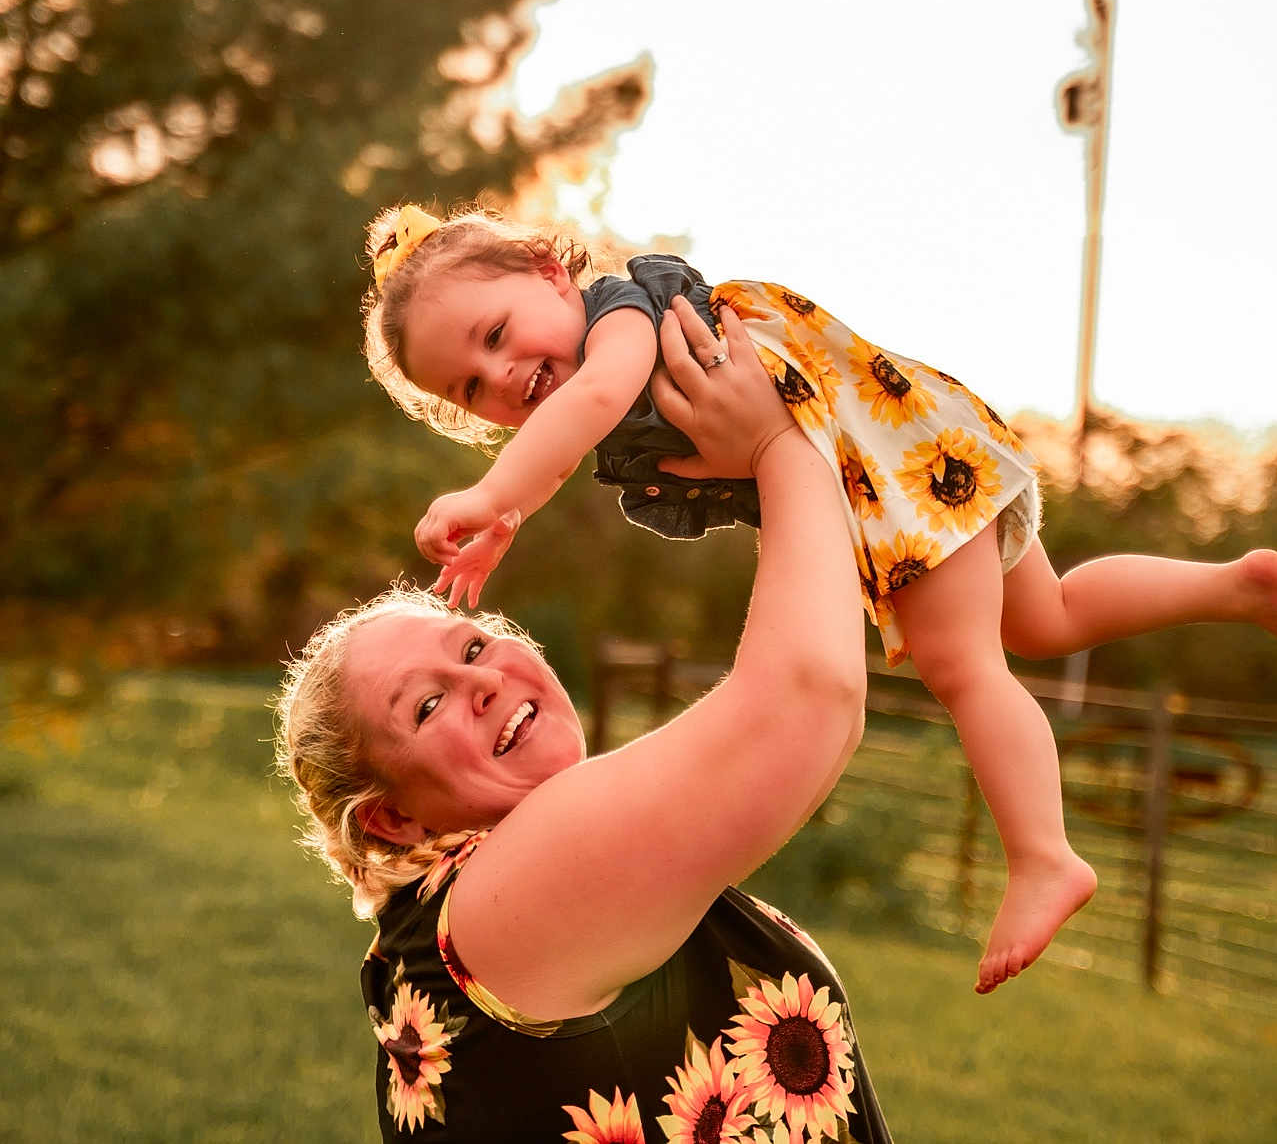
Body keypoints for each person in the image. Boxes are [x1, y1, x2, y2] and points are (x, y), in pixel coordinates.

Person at [361, 202, 1277, 994]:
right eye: (470, 389)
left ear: (547, 270)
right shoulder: (596, 373)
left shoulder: (621, 319)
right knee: (1049, 619)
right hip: (912, 440)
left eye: (494, 335)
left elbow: (593, 398)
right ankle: (1235, 586)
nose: (501, 377)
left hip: (893, 463)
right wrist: (510, 515)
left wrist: (496, 495)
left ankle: (1044, 854)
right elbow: (578, 425)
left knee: (967, 667)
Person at [276, 301, 891, 1142]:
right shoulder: (493, 901)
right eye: (425, 705)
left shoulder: (470, 912)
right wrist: (778, 445)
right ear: (392, 817)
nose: (480, 681)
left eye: (475, 644)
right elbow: (806, 702)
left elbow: (819, 721)